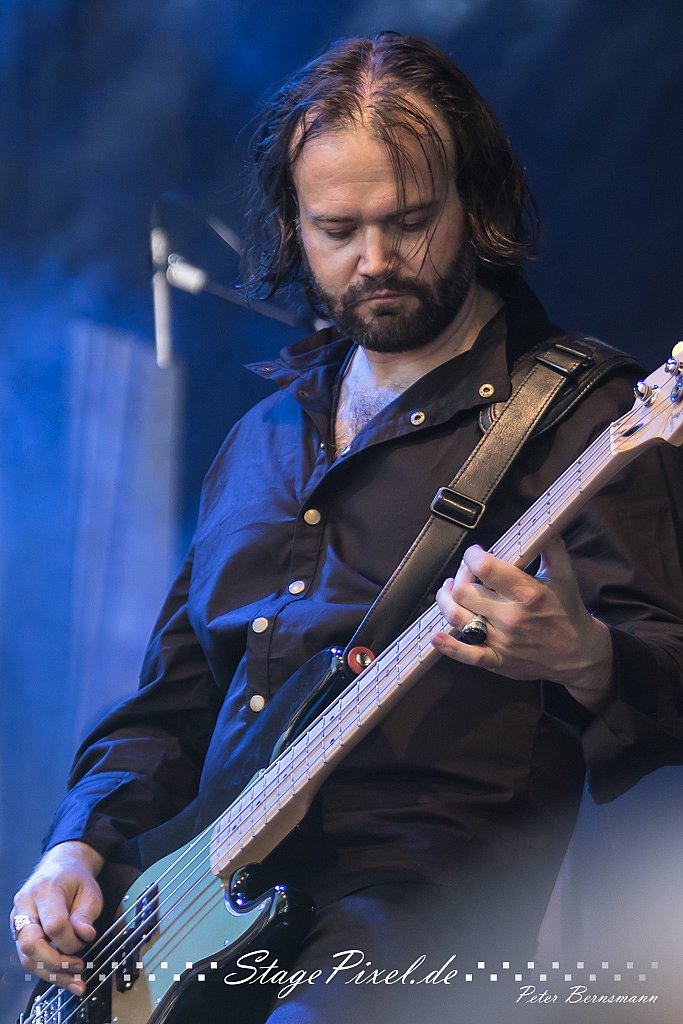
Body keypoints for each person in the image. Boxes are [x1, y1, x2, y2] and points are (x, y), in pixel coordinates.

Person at [11, 31, 683, 1023]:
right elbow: (174, 700)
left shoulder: (587, 418)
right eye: (336, 228)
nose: (375, 261)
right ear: (293, 226)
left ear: (474, 206)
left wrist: (582, 656)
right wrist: (78, 843)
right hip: (194, 916)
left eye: (409, 221)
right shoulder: (260, 437)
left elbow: (667, 676)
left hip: (419, 923)